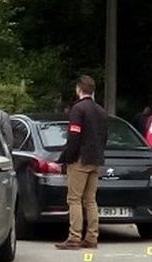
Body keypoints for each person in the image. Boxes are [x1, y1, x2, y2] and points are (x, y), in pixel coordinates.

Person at [55, 75, 109, 250]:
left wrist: (67, 158)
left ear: (79, 89)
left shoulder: (78, 109)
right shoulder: (101, 110)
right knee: (91, 200)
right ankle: (92, 237)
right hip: (96, 159)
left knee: (74, 199)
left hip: (80, 159)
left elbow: (74, 136)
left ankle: (74, 237)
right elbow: (105, 137)